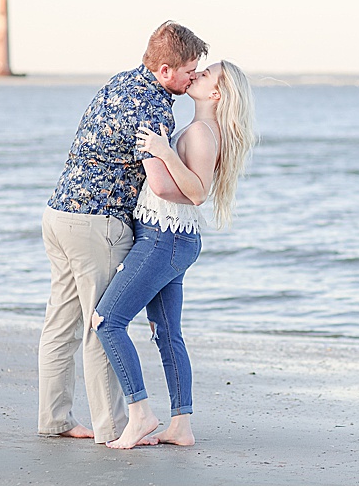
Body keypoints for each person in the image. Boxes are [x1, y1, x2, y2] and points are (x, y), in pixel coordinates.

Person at [38, 21, 208, 445]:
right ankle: (116, 426)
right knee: (104, 323)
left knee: (61, 324)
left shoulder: (121, 82)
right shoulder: (154, 106)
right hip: (98, 223)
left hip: (59, 214)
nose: (193, 77)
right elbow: (160, 184)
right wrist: (199, 193)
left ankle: (54, 418)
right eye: (190, 69)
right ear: (166, 70)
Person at [91, 60, 257, 449]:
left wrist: (163, 150)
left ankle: (139, 413)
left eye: (206, 74)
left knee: (107, 321)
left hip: (163, 238)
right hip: (174, 237)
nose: (197, 75)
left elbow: (196, 192)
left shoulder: (201, 132)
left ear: (216, 93)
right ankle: (180, 425)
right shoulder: (202, 129)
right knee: (167, 334)